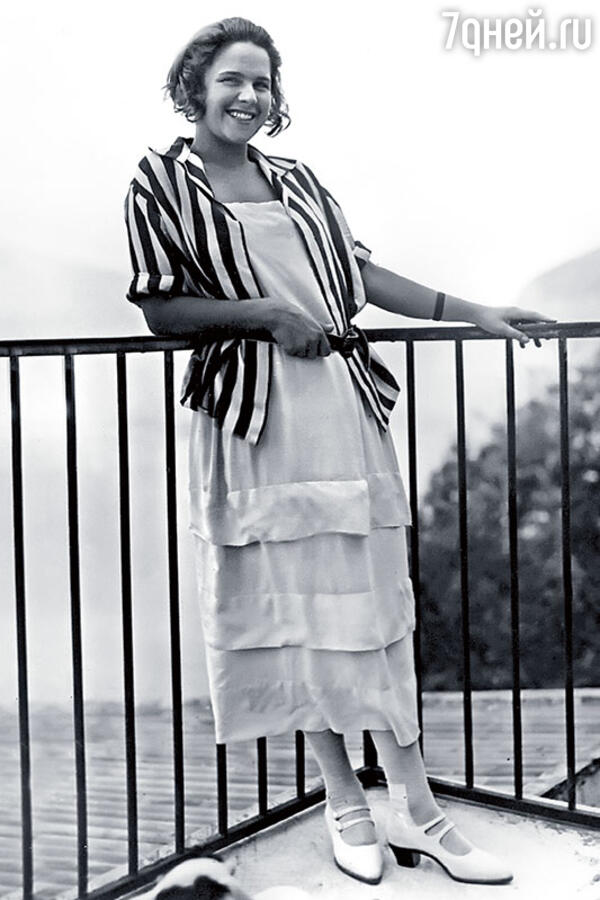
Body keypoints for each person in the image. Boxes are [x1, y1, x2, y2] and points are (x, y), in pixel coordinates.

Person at [124, 17, 552, 888]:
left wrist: (475, 310)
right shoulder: (157, 183)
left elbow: (362, 278)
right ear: (195, 87)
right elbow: (162, 308)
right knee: (300, 617)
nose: (249, 96)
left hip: (340, 412)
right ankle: (346, 804)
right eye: (232, 79)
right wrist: (267, 317)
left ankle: (420, 811)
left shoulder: (298, 180)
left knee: (374, 610)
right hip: (255, 422)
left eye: (262, 82)